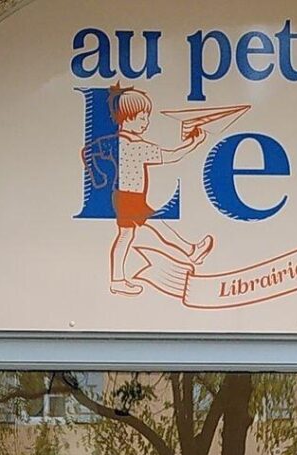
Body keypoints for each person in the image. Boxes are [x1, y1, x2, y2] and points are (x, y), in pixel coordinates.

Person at [85, 85, 213, 296]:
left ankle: (117, 279)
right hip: (131, 199)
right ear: (127, 117)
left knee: (126, 236)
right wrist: (194, 142)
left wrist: (99, 177)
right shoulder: (137, 146)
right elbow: (172, 156)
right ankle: (192, 251)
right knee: (157, 226)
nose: (146, 123)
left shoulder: (113, 142)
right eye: (142, 118)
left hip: (123, 196)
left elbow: (90, 151)